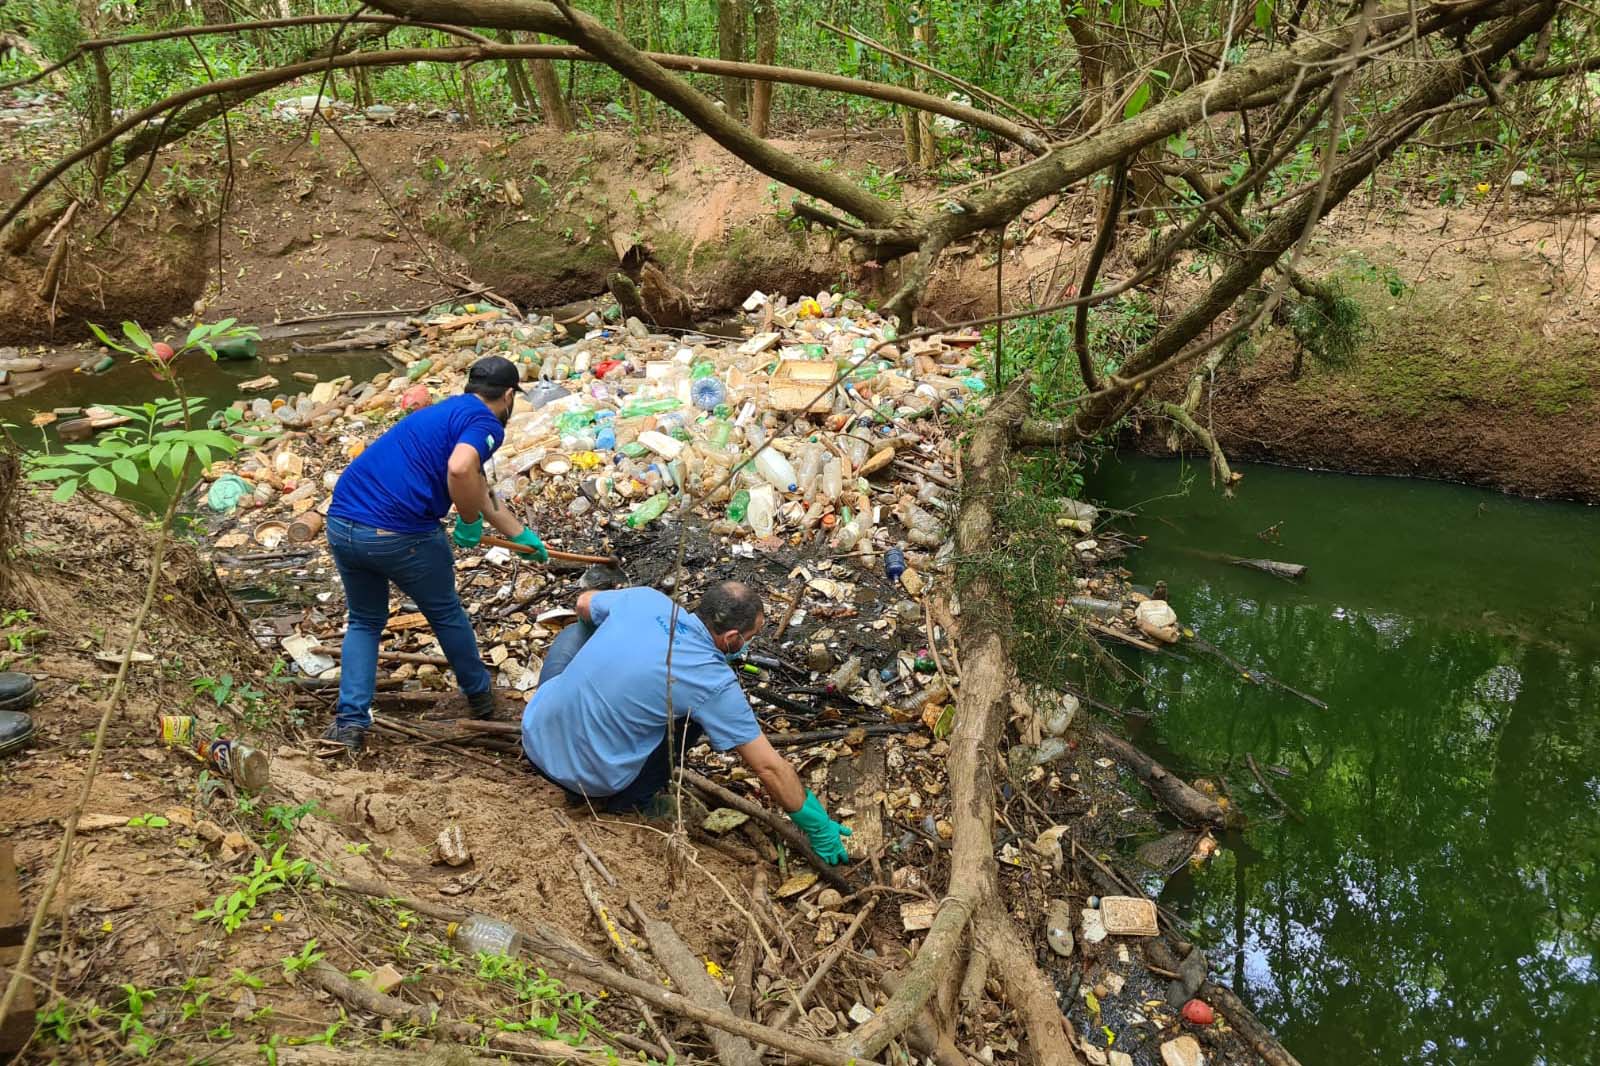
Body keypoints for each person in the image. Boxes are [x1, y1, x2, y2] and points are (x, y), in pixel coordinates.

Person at [521, 580, 852, 864]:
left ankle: (567, 718)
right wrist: (817, 825)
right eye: (751, 637)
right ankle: (628, 801)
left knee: (579, 630)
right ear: (732, 639)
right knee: (691, 721)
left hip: (534, 735)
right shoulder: (713, 682)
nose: (749, 645)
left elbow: (583, 603)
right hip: (588, 780)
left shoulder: (646, 599)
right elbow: (769, 768)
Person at [320, 356, 548, 754]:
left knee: (365, 621)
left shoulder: (446, 412)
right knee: (445, 612)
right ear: (509, 395)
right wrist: (469, 518)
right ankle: (481, 699)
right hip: (398, 533)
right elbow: (461, 470)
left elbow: (475, 480)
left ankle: (350, 723)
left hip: (343, 523)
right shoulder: (486, 424)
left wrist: (519, 534)